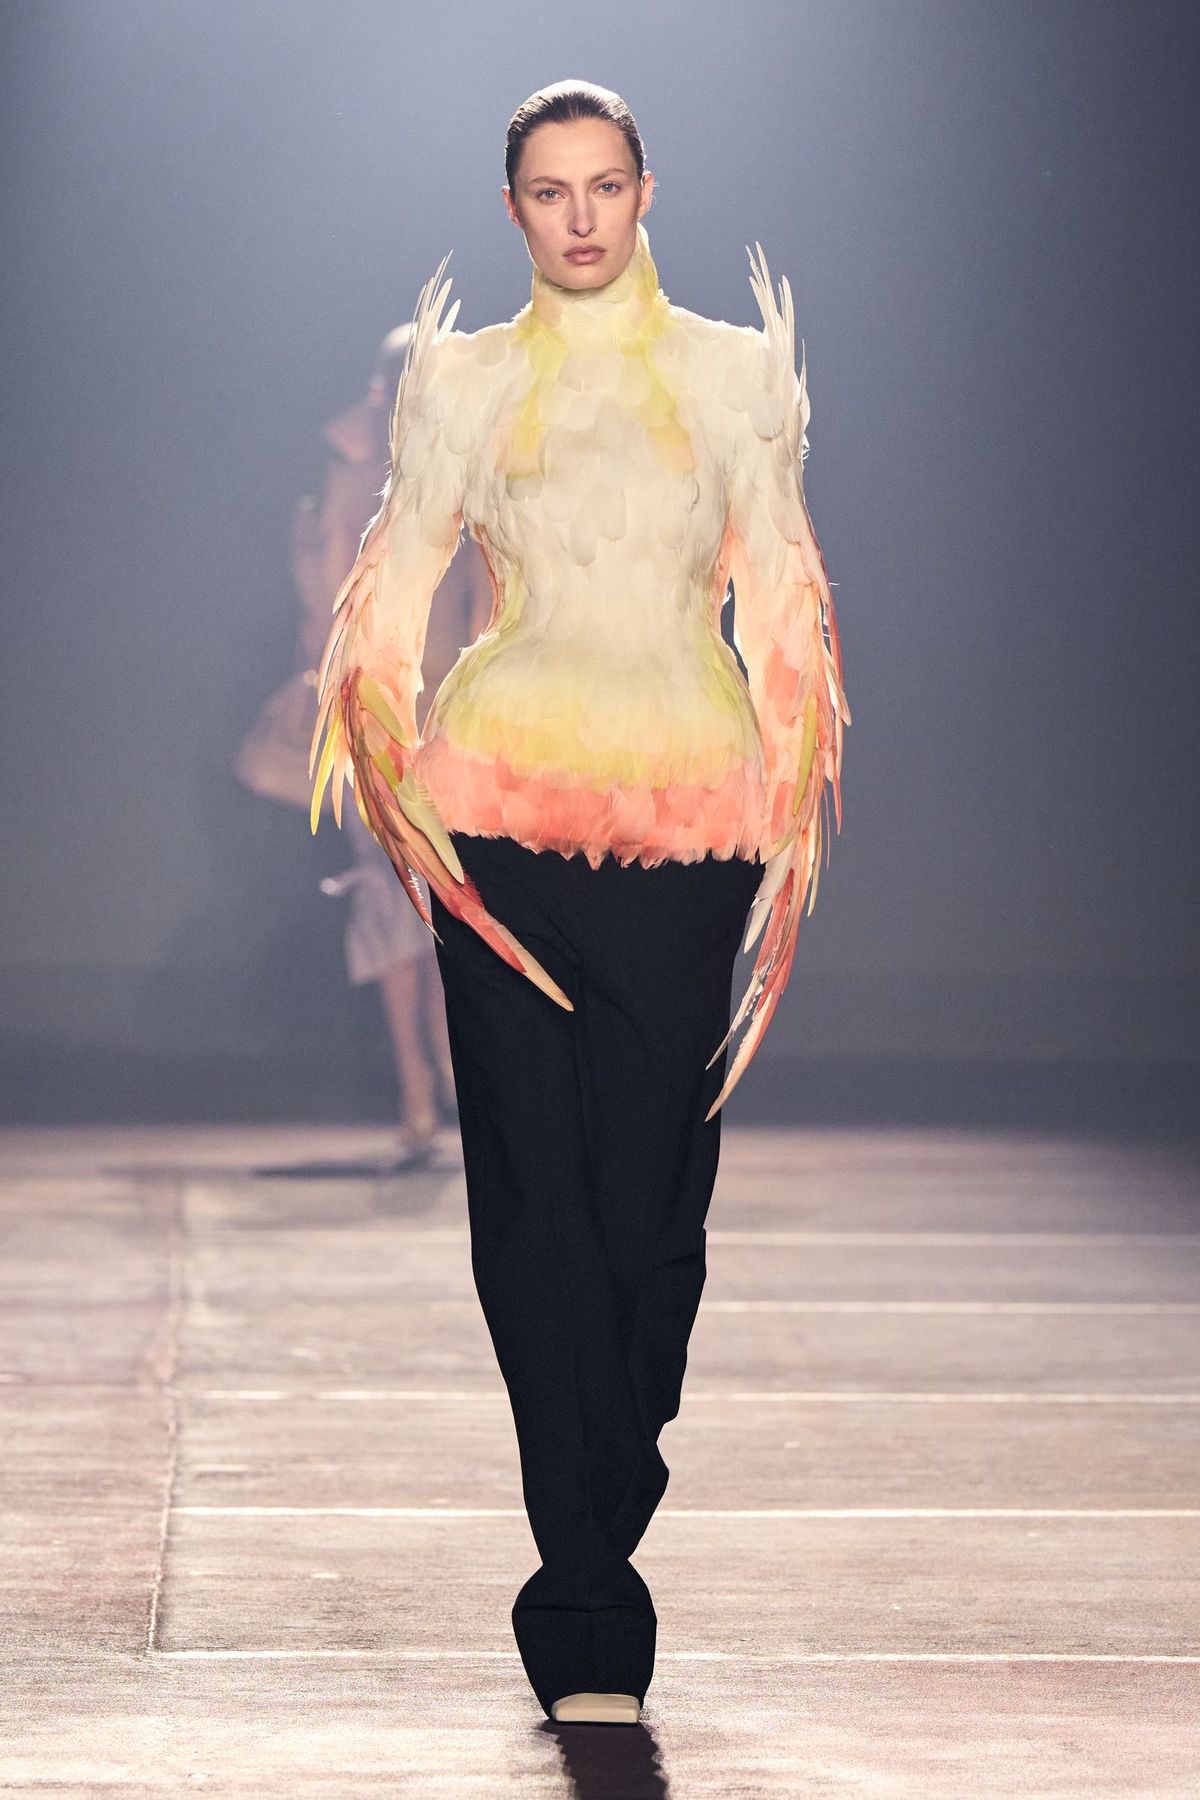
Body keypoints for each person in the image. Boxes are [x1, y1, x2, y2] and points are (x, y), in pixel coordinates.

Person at [309, 80, 850, 1724]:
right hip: (497, 821)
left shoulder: (735, 375)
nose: (581, 217)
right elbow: (396, 586)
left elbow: (783, 592)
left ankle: (607, 1488)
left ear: (645, 190)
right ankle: (584, 1590)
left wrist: (788, 798)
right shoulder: (462, 385)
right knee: (532, 1201)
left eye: (604, 185)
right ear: (514, 211)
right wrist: (389, 769)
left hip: (691, 827)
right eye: (549, 192)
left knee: (651, 1205)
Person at [237, 327, 492, 1164]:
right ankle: (423, 1083)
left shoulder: (469, 482)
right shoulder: (351, 481)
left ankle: (441, 1073)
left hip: (449, 718)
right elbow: (329, 607)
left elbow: (488, 606)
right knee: (395, 897)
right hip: (371, 712)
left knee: (448, 902)